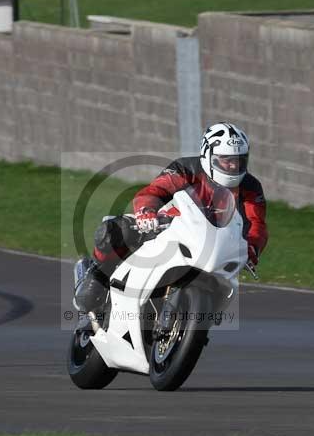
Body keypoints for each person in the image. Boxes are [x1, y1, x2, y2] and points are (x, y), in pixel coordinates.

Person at [74, 122, 268, 314]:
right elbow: (156, 190)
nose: (234, 166)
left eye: (240, 160)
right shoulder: (187, 168)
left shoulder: (250, 186)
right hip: (166, 226)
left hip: (211, 242)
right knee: (114, 231)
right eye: (227, 159)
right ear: (209, 155)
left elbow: (256, 223)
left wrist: (251, 248)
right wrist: (146, 211)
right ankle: (94, 278)